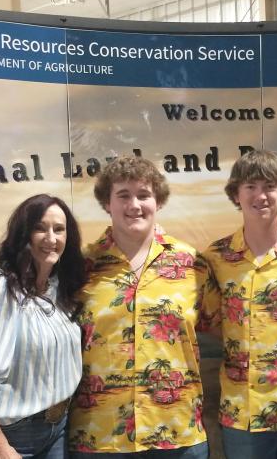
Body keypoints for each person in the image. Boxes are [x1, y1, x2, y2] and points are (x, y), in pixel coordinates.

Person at [68, 156, 208, 458]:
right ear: (107, 202)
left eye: (144, 195)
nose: (135, 205)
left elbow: (222, 325)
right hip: (99, 438)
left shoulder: (192, 263)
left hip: (177, 433)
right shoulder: (81, 267)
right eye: (123, 195)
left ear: (158, 201)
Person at [199, 149, 277, 459]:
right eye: (251, 187)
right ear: (236, 195)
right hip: (242, 415)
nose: (261, 196)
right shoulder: (216, 258)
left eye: (270, 186)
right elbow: (210, 320)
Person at [0, 194, 87, 459]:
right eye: (40, 228)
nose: (51, 238)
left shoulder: (59, 290)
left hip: (58, 430)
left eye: (59, 229)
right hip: (7, 437)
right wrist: (0, 448)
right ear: (23, 233)